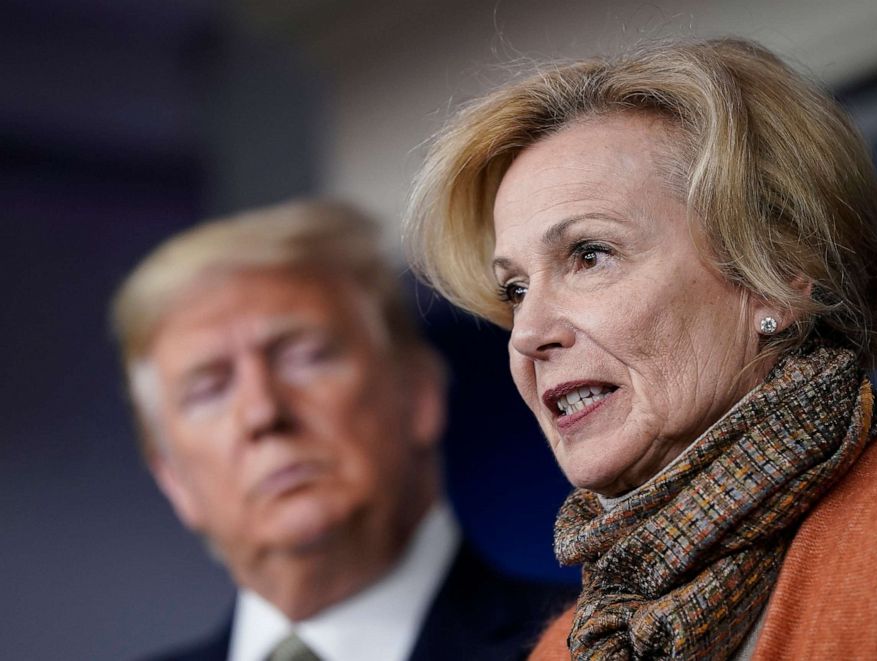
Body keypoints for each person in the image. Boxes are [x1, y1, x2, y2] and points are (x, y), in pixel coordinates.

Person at [405, 37, 877, 660]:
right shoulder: (566, 650)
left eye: (589, 255)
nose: (526, 334)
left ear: (777, 275)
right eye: (516, 289)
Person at [111, 200, 573, 661]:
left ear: (418, 394)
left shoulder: (596, 645)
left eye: (305, 357)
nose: (262, 412)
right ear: (171, 477)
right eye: (210, 389)